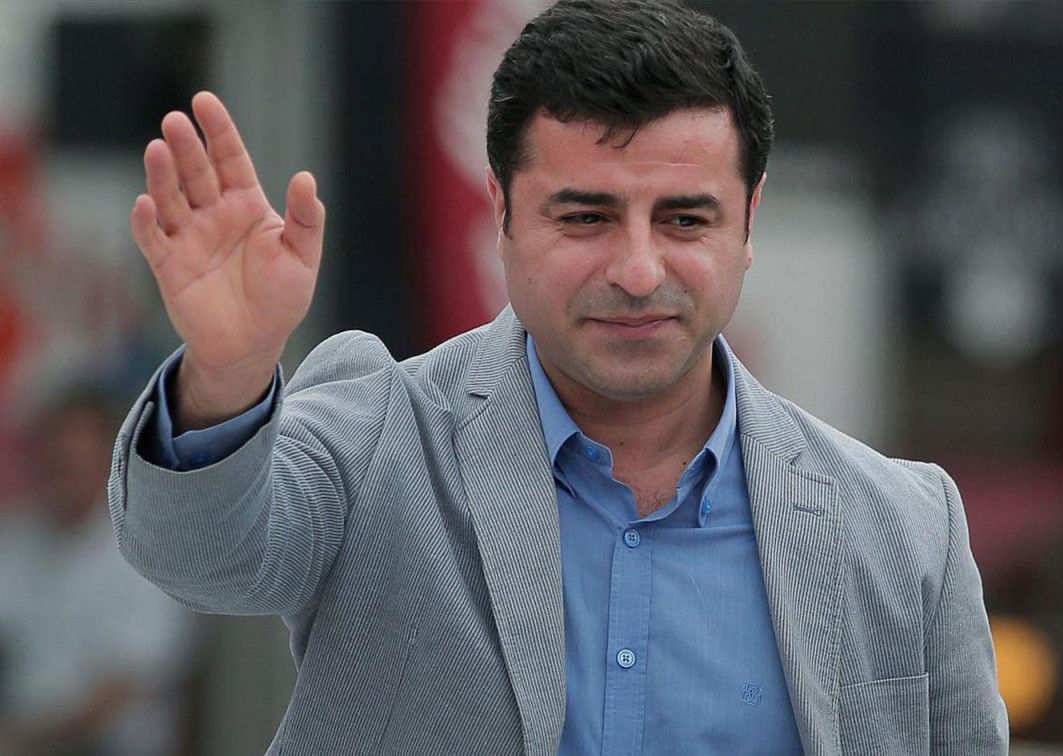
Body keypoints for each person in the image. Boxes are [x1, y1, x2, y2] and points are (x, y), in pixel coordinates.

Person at [109, 0, 1008, 752]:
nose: (638, 271)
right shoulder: (382, 436)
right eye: (586, 217)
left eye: (686, 220)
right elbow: (201, 559)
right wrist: (228, 371)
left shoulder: (903, 529)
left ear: (749, 222)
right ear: (501, 211)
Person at [1, 390, 192, 756]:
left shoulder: (150, 553)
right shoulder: (14, 541)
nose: (63, 470)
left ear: (111, 458)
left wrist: (24, 740)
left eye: (76, 461)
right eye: (55, 460)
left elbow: (121, 692)